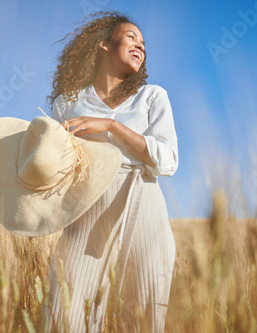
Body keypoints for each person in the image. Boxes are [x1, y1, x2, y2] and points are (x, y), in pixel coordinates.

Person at [42, 11, 179, 332]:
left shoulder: (152, 96)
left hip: (143, 203)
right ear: (104, 43)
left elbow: (168, 160)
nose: (140, 47)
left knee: (144, 318)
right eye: (132, 37)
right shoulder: (67, 102)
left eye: (144, 44)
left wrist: (111, 126)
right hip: (86, 208)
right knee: (65, 311)